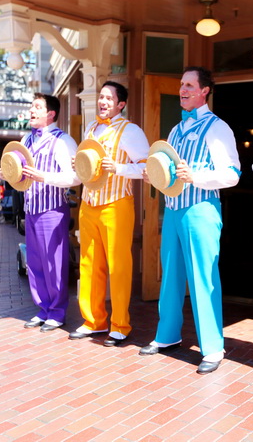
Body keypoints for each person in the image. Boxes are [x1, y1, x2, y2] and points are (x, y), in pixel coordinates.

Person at [139, 67, 241, 374]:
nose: (182, 89)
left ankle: (212, 348)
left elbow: (233, 174)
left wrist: (197, 177)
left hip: (201, 210)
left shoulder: (217, 128)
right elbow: (170, 173)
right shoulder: (174, 130)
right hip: (173, 209)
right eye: (181, 84)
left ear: (204, 91)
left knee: (203, 278)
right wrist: (153, 175)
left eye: (189, 85)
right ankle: (167, 336)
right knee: (170, 276)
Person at [68, 81, 150, 347]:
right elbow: (88, 167)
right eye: (101, 97)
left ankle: (120, 325)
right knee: (89, 264)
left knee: (118, 266)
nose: (103, 102)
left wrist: (119, 167)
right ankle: (93, 321)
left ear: (121, 104)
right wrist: (77, 164)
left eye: (108, 98)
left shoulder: (131, 130)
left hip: (116, 204)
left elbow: (149, 167)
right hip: (89, 203)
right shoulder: (91, 128)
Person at [19, 93, 80, 332]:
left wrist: (45, 177)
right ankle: (43, 308)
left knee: (54, 263)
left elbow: (75, 177)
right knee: (34, 263)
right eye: (31, 106)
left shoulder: (63, 141)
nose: (31, 110)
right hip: (31, 208)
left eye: (37, 107)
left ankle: (57, 311)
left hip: (52, 209)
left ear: (51, 114)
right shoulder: (26, 139)